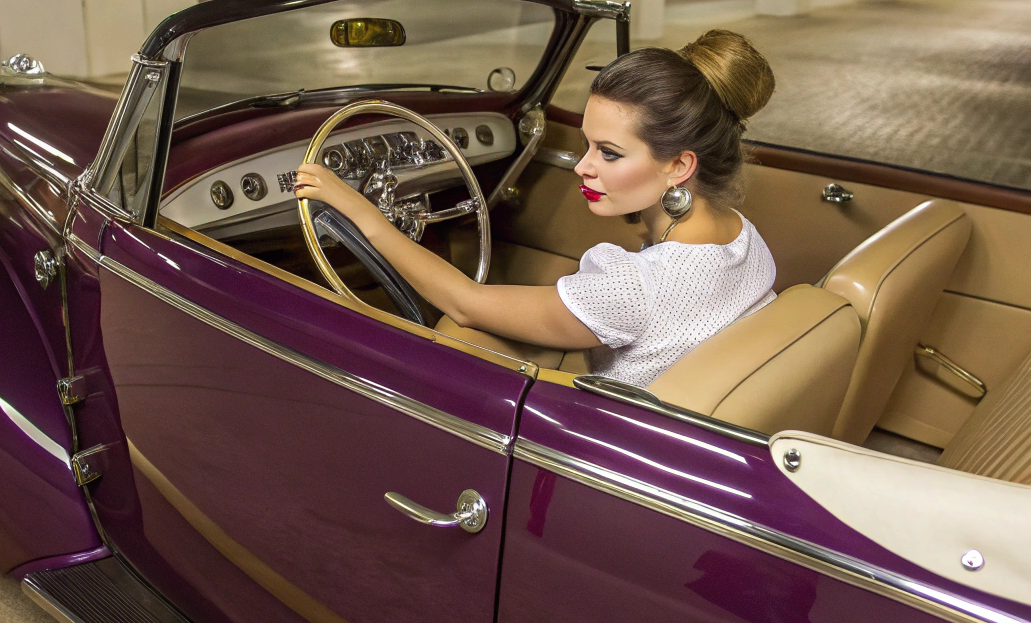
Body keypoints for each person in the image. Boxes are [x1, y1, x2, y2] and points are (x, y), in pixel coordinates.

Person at [293, 29, 778, 387]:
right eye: (587, 145)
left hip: (601, 445)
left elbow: (466, 304)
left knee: (449, 336)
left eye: (609, 153)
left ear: (679, 165)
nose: (582, 167)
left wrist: (362, 212)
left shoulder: (636, 288)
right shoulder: (741, 235)